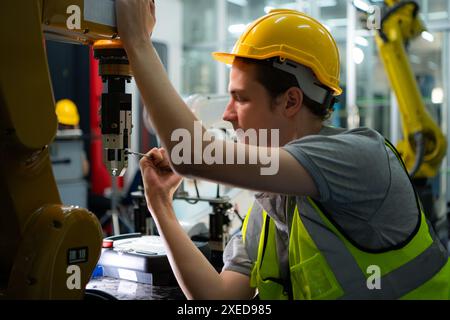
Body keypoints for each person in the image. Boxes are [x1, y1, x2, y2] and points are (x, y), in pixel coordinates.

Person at [116, 1, 450, 300]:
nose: (228, 114)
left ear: (290, 100)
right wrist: (160, 203)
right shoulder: (271, 208)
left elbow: (194, 155)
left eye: (241, 98)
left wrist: (139, 43)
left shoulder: (360, 157)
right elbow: (218, 298)